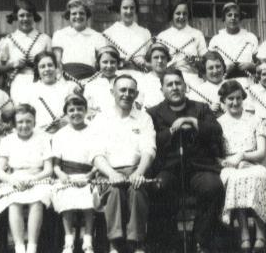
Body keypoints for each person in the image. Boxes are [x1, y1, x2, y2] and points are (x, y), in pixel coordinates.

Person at [147, 68, 225, 253]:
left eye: (178, 83)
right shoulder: (153, 113)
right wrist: (173, 130)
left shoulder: (201, 108)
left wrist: (193, 121)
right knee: (159, 187)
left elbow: (216, 132)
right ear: (162, 90)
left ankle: (200, 240)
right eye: (169, 84)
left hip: (199, 167)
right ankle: (169, 243)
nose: (174, 88)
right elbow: (152, 140)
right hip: (170, 169)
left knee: (213, 187)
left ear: (185, 86)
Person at [90, 75, 156, 253]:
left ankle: (136, 244)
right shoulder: (101, 119)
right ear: (113, 92)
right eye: (122, 90)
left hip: (136, 169)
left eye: (131, 91)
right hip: (108, 171)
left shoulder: (144, 118)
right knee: (115, 190)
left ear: (136, 94)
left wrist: (139, 172)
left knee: (136, 190)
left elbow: (148, 150)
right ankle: (116, 245)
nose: (127, 94)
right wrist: (111, 173)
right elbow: (96, 155)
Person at [217, 80, 266, 253]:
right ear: (223, 101)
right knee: (235, 179)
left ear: (243, 99)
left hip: (254, 163)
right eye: (230, 99)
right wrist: (230, 162)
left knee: (255, 177)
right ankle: (244, 234)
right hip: (230, 166)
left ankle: (261, 234)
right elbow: (216, 155)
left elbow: (262, 152)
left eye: (238, 98)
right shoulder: (218, 123)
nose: (234, 103)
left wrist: (242, 157)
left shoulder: (256, 121)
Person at [0, 104, 54, 253]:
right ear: (14, 123)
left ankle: (32, 246)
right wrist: (12, 180)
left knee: (37, 200)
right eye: (20, 122)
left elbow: (48, 169)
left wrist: (33, 180)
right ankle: (20, 247)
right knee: (14, 202)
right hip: (15, 178)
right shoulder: (7, 140)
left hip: (38, 178)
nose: (24, 125)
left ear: (34, 122)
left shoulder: (43, 138)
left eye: (28, 121)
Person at [51, 94, 98, 253]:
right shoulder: (60, 135)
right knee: (66, 195)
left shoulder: (94, 131)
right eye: (71, 110)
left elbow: (99, 161)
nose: (76, 113)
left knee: (89, 196)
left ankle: (88, 239)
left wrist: (89, 176)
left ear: (86, 111)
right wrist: (62, 176)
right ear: (66, 113)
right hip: (67, 176)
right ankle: (68, 240)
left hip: (89, 175)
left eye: (79, 109)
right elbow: (56, 165)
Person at [0, 0, 53, 105]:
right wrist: (13, 64)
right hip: (18, 83)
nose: (25, 19)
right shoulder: (7, 40)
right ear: (16, 17)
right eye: (22, 15)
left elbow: (54, 66)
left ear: (34, 17)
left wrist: (38, 63)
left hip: (41, 82)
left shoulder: (45, 39)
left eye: (29, 15)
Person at [20, 51, 77, 133]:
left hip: (66, 132)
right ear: (37, 70)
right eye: (42, 67)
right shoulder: (30, 90)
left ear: (56, 67)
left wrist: (65, 121)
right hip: (40, 134)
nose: (47, 69)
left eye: (50, 65)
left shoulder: (68, 87)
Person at [52, 0, 108, 81]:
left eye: (81, 13)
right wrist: (62, 79)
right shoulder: (60, 34)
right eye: (74, 14)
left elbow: (104, 60)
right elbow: (57, 61)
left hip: (91, 78)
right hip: (66, 78)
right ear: (69, 16)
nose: (78, 16)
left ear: (87, 16)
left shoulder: (97, 36)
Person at [156, 0, 208, 88]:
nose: (181, 16)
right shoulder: (162, 36)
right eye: (178, 13)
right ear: (172, 15)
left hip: (192, 79)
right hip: (170, 79)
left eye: (185, 13)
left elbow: (205, 60)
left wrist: (196, 61)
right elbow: (157, 61)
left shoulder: (197, 34)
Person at [102, 0, 153, 78]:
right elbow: (104, 61)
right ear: (119, 9)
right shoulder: (109, 33)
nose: (129, 11)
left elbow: (152, 61)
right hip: (117, 76)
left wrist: (144, 62)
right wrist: (121, 62)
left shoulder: (144, 32)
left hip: (142, 76)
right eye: (125, 8)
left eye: (132, 8)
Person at [208, 2, 259, 83]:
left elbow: (260, 64)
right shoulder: (216, 40)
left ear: (240, 18)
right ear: (224, 18)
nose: (233, 18)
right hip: (224, 81)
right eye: (229, 15)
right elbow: (209, 65)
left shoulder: (250, 38)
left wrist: (250, 66)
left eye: (236, 15)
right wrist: (225, 68)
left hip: (248, 80)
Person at [83, 46, 125, 121]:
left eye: (112, 62)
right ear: (98, 64)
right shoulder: (91, 85)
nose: (109, 66)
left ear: (118, 63)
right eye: (105, 62)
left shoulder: (124, 82)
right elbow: (87, 109)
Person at [138, 42, 171, 110]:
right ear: (150, 60)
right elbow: (137, 106)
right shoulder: (142, 81)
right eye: (156, 57)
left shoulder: (173, 79)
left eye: (163, 57)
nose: (160, 61)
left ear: (167, 59)